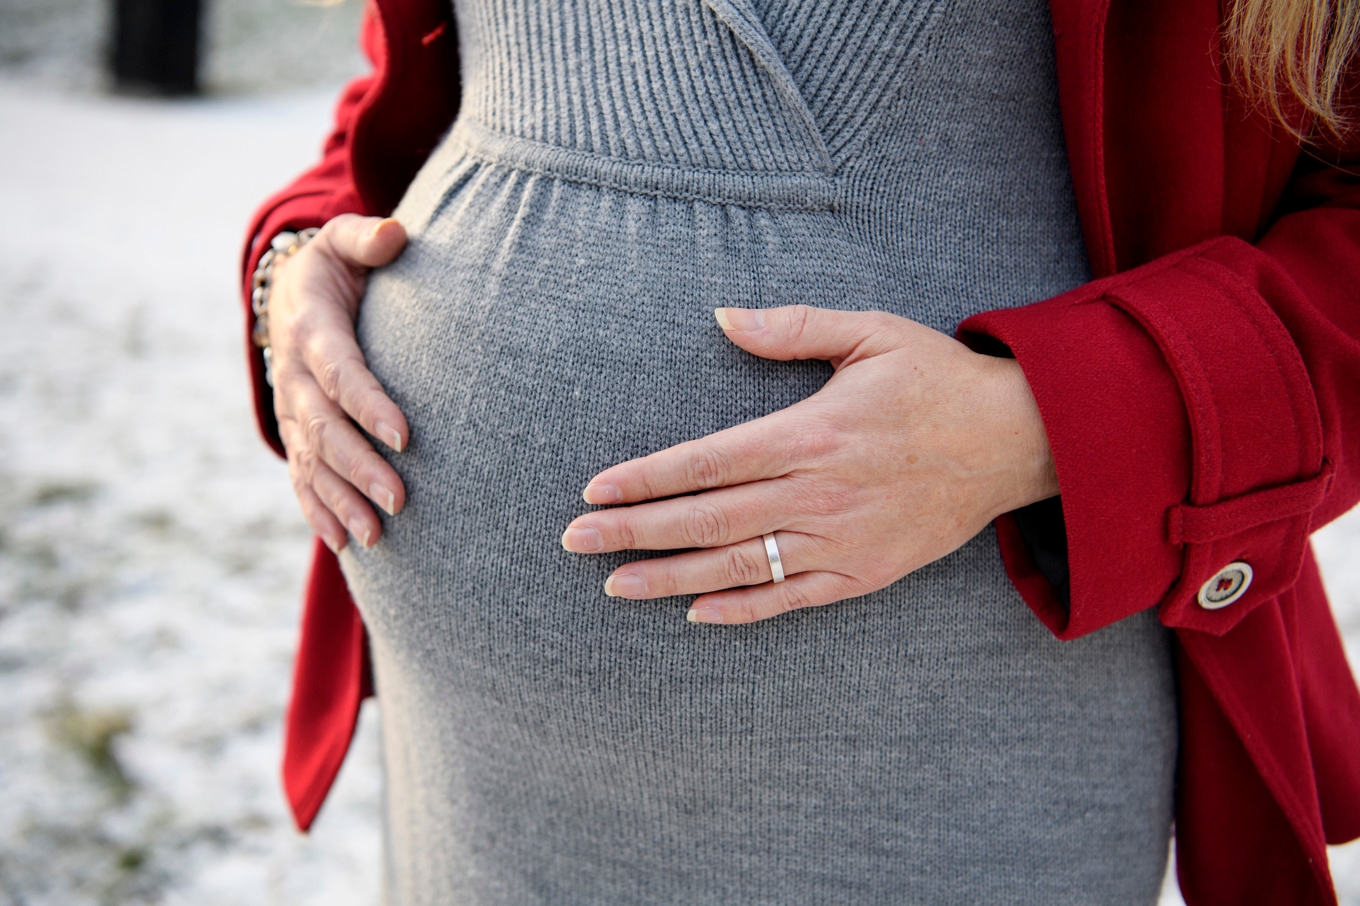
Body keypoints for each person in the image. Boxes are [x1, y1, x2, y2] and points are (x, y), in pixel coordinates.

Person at [240, 0, 1360, 901]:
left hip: (938, 755)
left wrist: (1049, 421)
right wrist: (294, 263)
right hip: (472, 761)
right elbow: (443, 74)